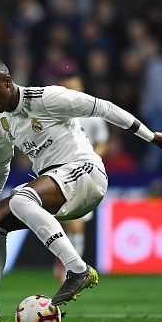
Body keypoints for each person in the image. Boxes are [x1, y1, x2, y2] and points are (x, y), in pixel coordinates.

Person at [0, 57, 162, 322]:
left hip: (86, 172)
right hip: (58, 186)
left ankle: (78, 269)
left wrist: (150, 136)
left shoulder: (47, 98)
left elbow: (104, 108)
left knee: (22, 198)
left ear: (6, 81)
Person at [53, 67, 110, 283]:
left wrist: (90, 159)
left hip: (83, 174)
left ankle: (72, 268)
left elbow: (103, 142)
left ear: (82, 89)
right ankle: (66, 260)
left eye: (74, 88)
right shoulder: (54, 112)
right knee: (63, 224)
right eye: (67, 88)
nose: (71, 92)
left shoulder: (92, 114)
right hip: (57, 171)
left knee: (76, 224)